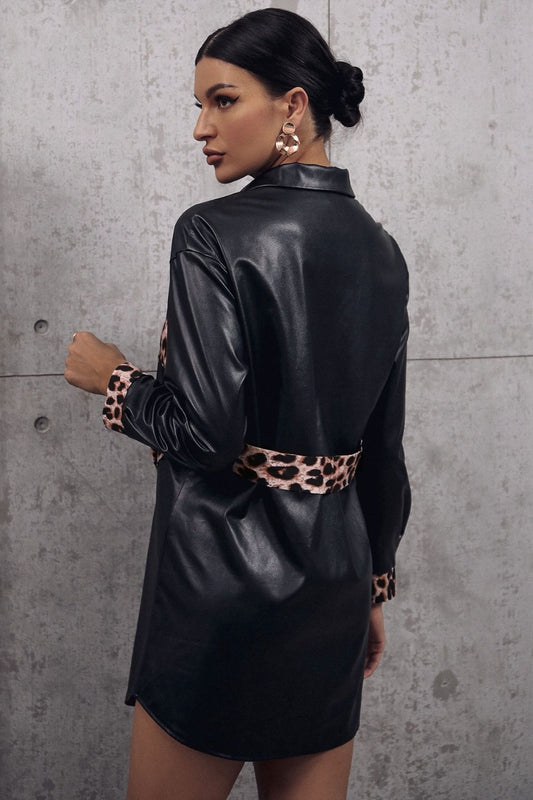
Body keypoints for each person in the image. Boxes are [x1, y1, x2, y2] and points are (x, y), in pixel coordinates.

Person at [64, 8, 410, 800]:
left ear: (292, 105)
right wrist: (371, 586)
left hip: (219, 594)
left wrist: (114, 381)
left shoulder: (212, 232)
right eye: (199, 105)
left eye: (222, 101)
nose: (200, 128)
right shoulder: (381, 250)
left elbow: (206, 433)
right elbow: (383, 448)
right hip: (332, 587)